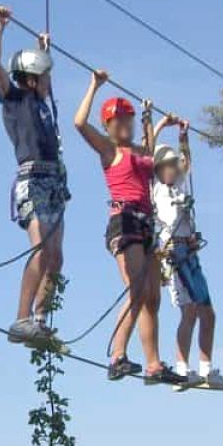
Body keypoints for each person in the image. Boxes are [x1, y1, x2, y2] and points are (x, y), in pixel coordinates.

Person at [72, 72, 186, 386]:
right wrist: (94, 86)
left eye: (128, 119)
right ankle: (117, 355)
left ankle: (152, 364)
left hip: (146, 225)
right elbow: (79, 123)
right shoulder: (110, 150)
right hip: (124, 222)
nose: (124, 124)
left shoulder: (139, 150)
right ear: (108, 126)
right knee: (137, 289)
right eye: (118, 120)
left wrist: (154, 120)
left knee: (152, 299)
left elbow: (150, 151)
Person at [0, 5, 66, 345]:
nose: (50, 83)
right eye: (45, 77)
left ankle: (40, 318)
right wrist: (0, 29)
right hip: (31, 180)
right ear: (31, 80)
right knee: (40, 249)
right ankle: (21, 319)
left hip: (54, 182)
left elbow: (40, 66)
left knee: (56, 257)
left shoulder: (44, 103)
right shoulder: (15, 98)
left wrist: (43, 48)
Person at [152, 132, 223, 390]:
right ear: (158, 169)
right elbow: (145, 151)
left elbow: (187, 161)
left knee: (203, 313)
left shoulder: (180, 185)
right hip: (175, 254)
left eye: (174, 165)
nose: (174, 169)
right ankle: (185, 370)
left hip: (188, 253)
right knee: (194, 312)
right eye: (168, 165)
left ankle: (200, 370)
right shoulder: (157, 190)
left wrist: (183, 137)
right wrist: (152, 124)